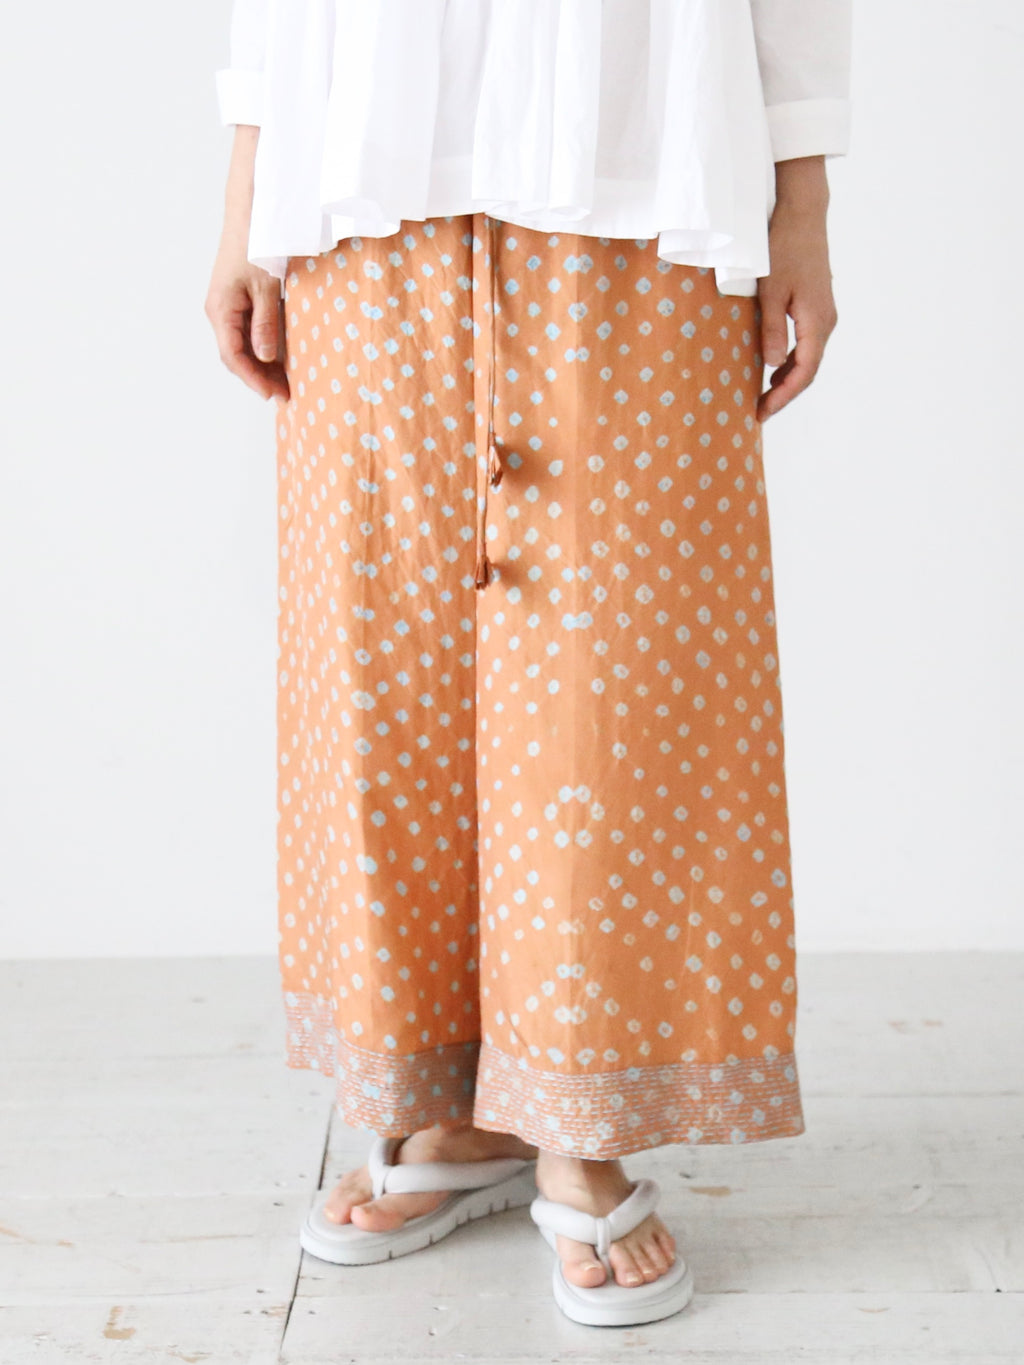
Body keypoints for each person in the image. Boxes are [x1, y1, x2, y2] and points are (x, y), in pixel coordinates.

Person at [205, 0, 851, 1330]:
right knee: (380, 672)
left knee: (617, 695)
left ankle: (581, 1120)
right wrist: (247, 201)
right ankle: (451, 1112)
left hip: (640, 170)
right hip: (362, 180)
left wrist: (802, 204)